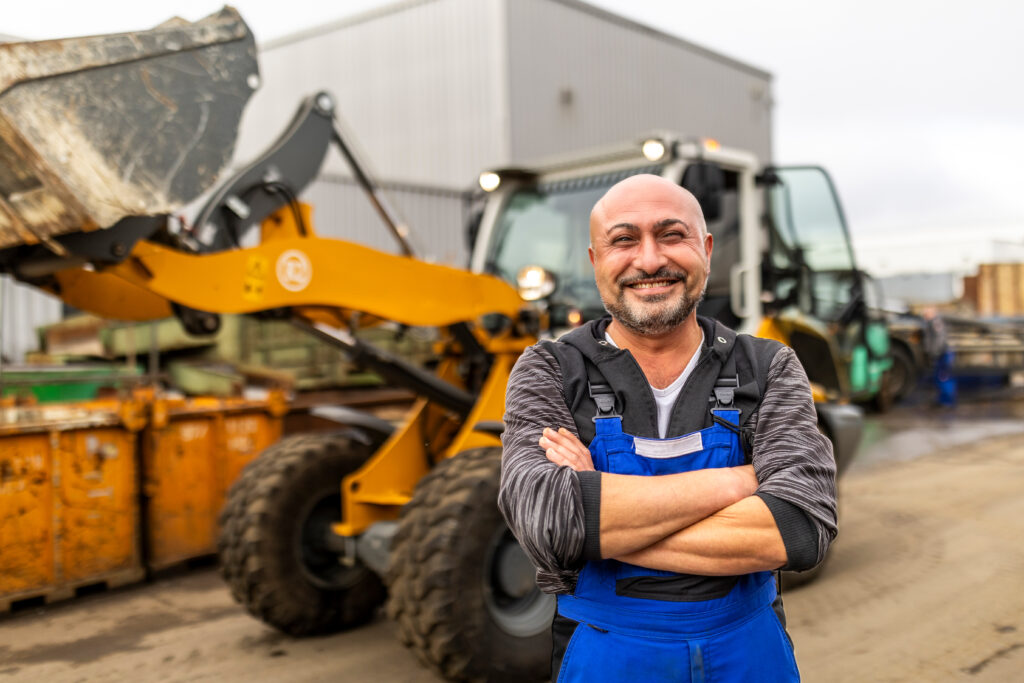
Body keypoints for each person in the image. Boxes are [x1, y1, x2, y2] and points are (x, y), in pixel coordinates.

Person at [498, 174, 836, 682]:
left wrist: (596, 527)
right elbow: (546, 523)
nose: (650, 260)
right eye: (624, 239)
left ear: (706, 249)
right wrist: (742, 482)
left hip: (748, 655)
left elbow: (799, 529)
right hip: (607, 655)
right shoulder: (548, 369)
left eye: (671, 235)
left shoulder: (768, 366)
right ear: (595, 261)